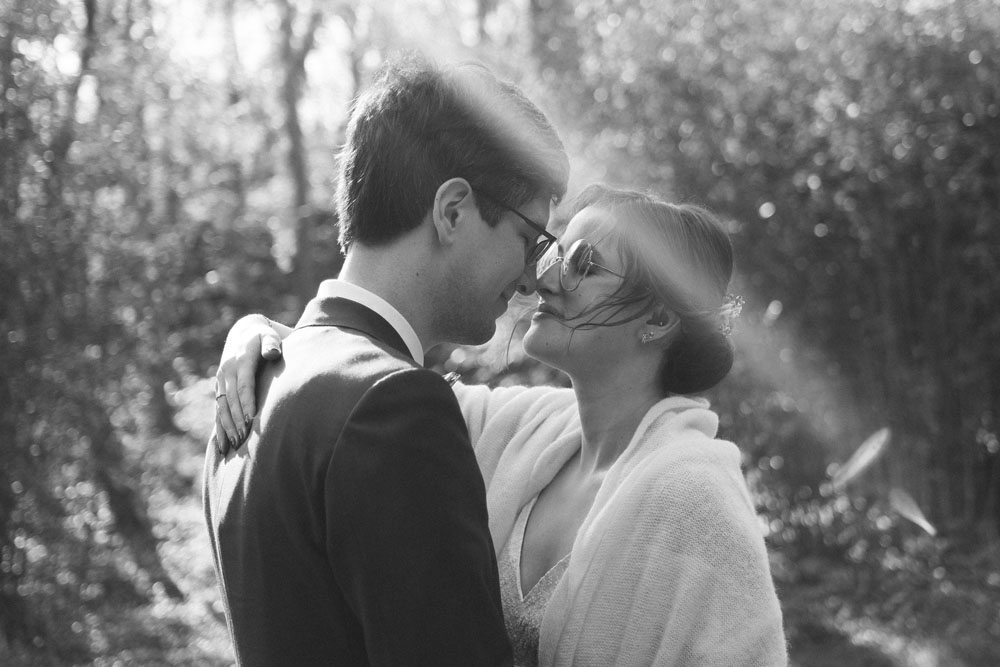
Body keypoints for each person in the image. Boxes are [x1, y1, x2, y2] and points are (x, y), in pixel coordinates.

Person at [216, 184, 789, 666]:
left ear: (659, 318)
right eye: (554, 253)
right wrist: (261, 332)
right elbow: (362, 393)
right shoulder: (520, 428)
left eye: (582, 262)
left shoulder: (698, 498)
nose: (544, 278)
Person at [203, 53, 569, 667]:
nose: (532, 280)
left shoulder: (254, 385)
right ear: (453, 211)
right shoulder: (395, 407)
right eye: (530, 241)